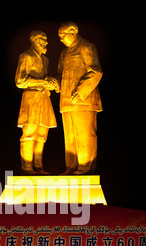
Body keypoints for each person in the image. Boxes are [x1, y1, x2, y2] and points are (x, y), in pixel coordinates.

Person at [57, 22, 103, 175]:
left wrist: (81, 91)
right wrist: (52, 83)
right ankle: (71, 166)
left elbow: (96, 71)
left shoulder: (87, 47)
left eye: (63, 35)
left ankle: (85, 167)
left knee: (84, 135)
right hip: (66, 101)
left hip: (84, 101)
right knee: (69, 136)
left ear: (73, 31)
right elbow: (60, 75)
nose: (61, 39)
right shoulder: (64, 53)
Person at [15, 30, 58, 175]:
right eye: (43, 39)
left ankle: (38, 166)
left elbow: (45, 80)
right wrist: (43, 82)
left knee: (42, 134)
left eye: (46, 39)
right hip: (31, 98)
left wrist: (51, 83)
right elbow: (20, 81)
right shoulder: (26, 56)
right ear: (34, 40)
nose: (46, 42)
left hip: (44, 98)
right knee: (29, 133)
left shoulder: (45, 59)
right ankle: (27, 167)